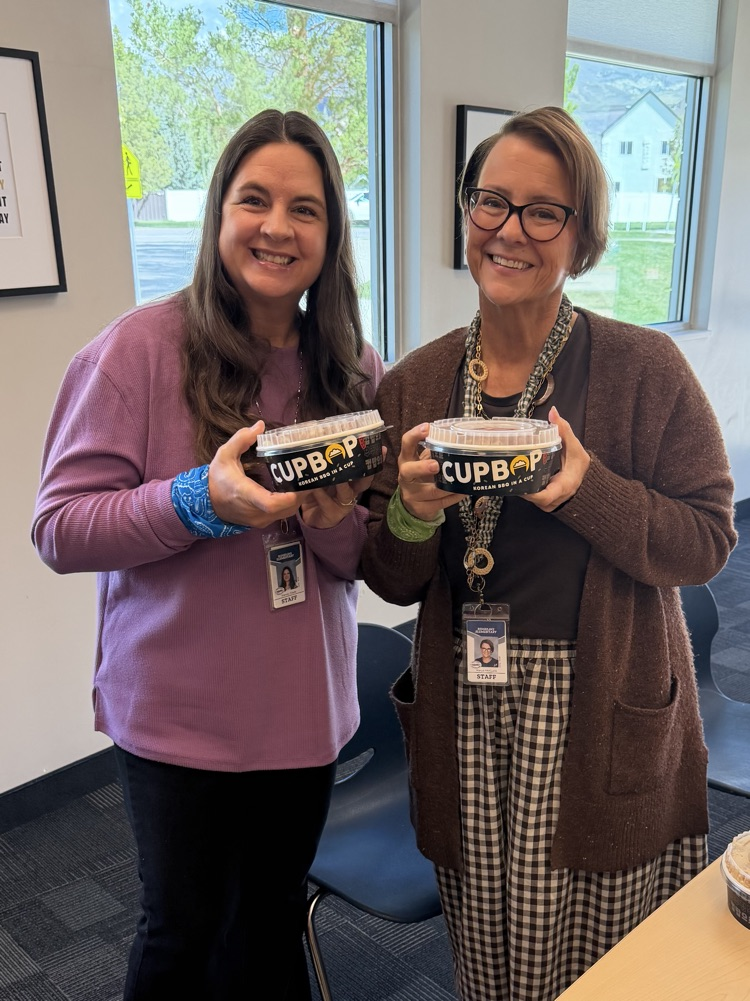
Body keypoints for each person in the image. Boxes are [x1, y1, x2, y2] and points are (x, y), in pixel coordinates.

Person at [361, 106, 737, 1001]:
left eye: (544, 211)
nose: (510, 230)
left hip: (598, 700)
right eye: (492, 201)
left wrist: (581, 488)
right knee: (488, 963)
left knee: (604, 970)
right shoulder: (414, 381)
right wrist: (413, 516)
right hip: (465, 702)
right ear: (465, 214)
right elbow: (386, 569)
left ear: (583, 235)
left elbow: (710, 538)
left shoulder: (645, 370)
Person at [32, 109, 384, 1001]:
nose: (277, 226)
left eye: (305, 208)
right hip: (177, 719)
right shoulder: (138, 351)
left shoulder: (350, 365)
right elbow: (61, 528)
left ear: (332, 233)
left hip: (300, 714)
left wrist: (338, 515)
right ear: (217, 213)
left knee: (267, 928)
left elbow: (353, 557)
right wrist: (200, 501)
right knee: (182, 936)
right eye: (254, 199)